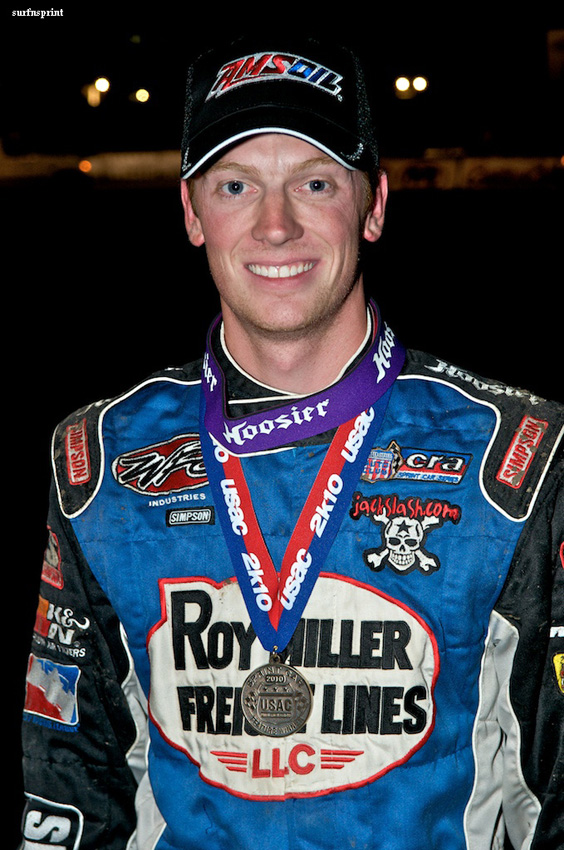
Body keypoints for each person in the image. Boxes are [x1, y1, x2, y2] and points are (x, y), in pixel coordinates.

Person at [20, 36, 563, 850]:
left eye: (315, 183)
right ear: (192, 212)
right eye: (236, 186)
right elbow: (65, 784)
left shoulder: (516, 458)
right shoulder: (100, 463)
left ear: (374, 205)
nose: (276, 226)